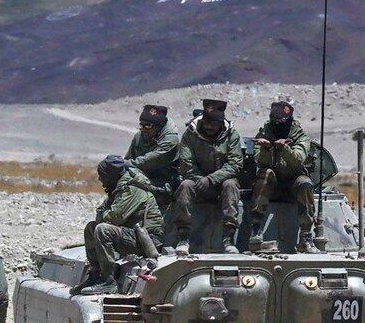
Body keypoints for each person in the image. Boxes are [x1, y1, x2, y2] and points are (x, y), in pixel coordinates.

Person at [164, 99, 244, 255]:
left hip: (220, 183)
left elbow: (235, 164)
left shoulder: (232, 135)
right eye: (207, 123)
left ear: (221, 123)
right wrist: (200, 179)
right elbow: (186, 164)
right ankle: (183, 238)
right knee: (185, 186)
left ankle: (228, 238)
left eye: (213, 124)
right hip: (196, 181)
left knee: (231, 185)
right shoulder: (191, 134)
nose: (209, 127)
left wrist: (211, 179)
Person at [82, 155, 164, 293]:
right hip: (132, 235)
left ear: (111, 175)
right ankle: (95, 276)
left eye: (103, 175)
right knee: (91, 228)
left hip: (147, 241)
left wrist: (105, 213)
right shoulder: (118, 189)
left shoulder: (132, 190)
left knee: (103, 230)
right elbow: (100, 215)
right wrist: (105, 213)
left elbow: (114, 218)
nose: (100, 179)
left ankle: (109, 280)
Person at [250, 101, 315, 252]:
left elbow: (298, 160)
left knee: (305, 183)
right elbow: (260, 161)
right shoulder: (263, 134)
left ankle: (306, 236)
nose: (278, 125)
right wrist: (267, 149)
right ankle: (256, 228)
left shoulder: (301, 137)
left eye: (282, 122)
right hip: (271, 183)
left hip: (294, 181)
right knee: (265, 174)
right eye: (275, 121)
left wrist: (284, 149)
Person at [124, 104, 180, 211]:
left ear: (160, 126)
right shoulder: (139, 137)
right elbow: (128, 159)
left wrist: (124, 165)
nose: (144, 129)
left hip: (165, 184)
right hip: (145, 178)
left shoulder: (170, 141)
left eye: (148, 126)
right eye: (142, 125)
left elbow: (147, 162)